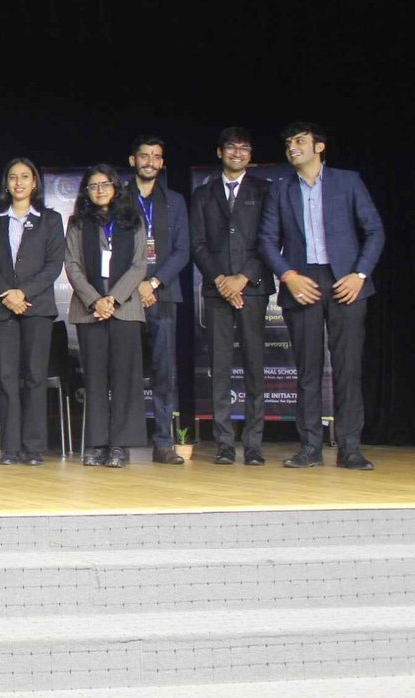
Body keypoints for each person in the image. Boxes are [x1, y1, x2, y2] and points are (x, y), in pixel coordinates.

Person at [258, 122, 383, 470]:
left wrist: (359, 275)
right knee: (307, 371)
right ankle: (309, 448)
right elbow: (267, 240)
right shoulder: (280, 189)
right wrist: (288, 275)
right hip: (302, 281)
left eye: (300, 141)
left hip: (345, 279)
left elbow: (374, 230)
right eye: (288, 143)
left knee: (348, 368)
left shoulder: (348, 181)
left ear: (319, 147)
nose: (292, 147)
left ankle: (350, 449)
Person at [189, 127, 272, 466]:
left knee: (255, 365)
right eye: (232, 147)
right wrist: (223, 280)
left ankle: (253, 444)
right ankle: (224, 442)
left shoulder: (265, 191)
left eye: (245, 148)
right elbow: (196, 244)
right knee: (219, 368)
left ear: (251, 155)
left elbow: (270, 240)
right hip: (216, 288)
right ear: (220, 152)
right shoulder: (203, 193)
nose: (238, 153)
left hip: (253, 288)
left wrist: (243, 278)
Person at [0, 157, 65, 465]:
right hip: (2, 309)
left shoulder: (50, 220)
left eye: (25, 176)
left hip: (36, 307)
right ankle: (10, 447)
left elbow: (54, 264)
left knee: (35, 377)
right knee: (8, 377)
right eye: (13, 177)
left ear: (35, 182)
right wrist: (7, 294)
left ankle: (34, 446)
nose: (19, 182)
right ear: (6, 183)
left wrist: (23, 293)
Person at [64, 165, 149, 468]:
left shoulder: (134, 221)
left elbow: (139, 266)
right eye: (92, 186)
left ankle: (120, 445)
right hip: (90, 311)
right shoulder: (76, 223)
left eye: (105, 184)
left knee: (124, 378)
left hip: (124, 308)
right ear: (85, 192)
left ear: (116, 187)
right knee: (96, 378)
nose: (99, 190)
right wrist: (96, 300)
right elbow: (72, 266)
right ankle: (97, 443)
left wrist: (113, 298)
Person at [126, 135, 191, 464]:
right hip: (124, 296)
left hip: (162, 294)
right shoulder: (119, 198)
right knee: (124, 371)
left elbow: (183, 250)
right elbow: (110, 247)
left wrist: (152, 282)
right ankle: (120, 442)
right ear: (132, 161)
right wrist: (135, 286)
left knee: (164, 372)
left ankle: (164, 442)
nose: (150, 161)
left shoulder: (175, 201)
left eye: (156, 156)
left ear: (162, 164)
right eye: (144, 156)